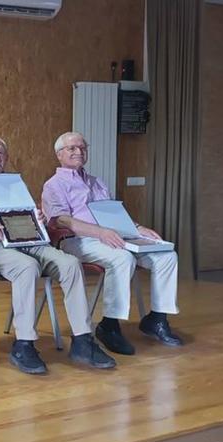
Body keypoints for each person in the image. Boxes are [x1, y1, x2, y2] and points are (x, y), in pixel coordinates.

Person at [0, 136, 116, 374]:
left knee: (70, 264)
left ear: (7, 157)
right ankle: (24, 343)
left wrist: (38, 219)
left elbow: (29, 219)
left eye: (0, 153)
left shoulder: (16, 185)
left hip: (30, 242)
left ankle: (83, 339)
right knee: (27, 267)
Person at [42, 131, 182, 356]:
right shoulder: (54, 185)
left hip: (113, 236)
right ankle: (109, 324)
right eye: (72, 148)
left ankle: (157, 318)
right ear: (59, 154)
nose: (79, 151)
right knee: (122, 258)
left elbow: (114, 213)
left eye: (83, 148)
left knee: (166, 255)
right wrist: (100, 232)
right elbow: (61, 220)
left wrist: (137, 228)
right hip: (77, 240)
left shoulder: (97, 182)